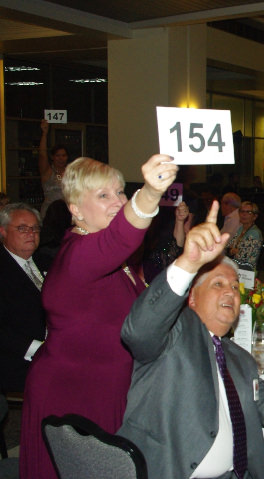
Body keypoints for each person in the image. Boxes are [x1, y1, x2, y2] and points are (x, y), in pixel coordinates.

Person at [117, 202, 264, 479]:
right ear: (191, 297)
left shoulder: (239, 358)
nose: (230, 292)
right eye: (218, 284)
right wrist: (188, 264)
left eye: (234, 287)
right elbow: (139, 329)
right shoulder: (173, 335)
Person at [20, 154, 177, 479]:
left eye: (121, 192)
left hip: (108, 389)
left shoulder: (117, 263)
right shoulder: (79, 255)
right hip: (72, 393)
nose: (118, 201)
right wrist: (149, 193)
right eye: (103, 195)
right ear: (75, 208)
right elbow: (121, 236)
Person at [0, 203, 48, 393]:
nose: (31, 233)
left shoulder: (45, 260)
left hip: (55, 347)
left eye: (35, 228)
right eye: (22, 228)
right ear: (3, 231)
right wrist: (39, 349)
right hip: (17, 358)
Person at [38, 119, 70, 218]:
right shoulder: (48, 172)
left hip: (67, 213)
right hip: (50, 214)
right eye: (58, 155)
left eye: (64, 155)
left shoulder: (70, 172)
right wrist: (44, 134)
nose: (61, 158)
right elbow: (42, 155)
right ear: (52, 157)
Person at [226, 201, 263, 270]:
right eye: (242, 211)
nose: (244, 214)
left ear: (254, 216)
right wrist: (232, 251)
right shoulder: (240, 229)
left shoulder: (255, 233)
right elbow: (228, 248)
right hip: (237, 267)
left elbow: (243, 257)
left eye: (248, 212)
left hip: (247, 271)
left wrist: (234, 251)